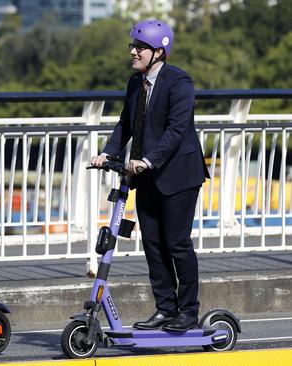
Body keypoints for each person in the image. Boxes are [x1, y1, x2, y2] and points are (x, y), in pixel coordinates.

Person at [91, 19, 209, 331]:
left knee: (177, 243)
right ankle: (165, 308)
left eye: (139, 47)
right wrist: (109, 153)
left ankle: (188, 311)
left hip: (179, 175)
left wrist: (147, 160)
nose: (133, 51)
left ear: (158, 51)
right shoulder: (135, 83)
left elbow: (175, 130)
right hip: (145, 176)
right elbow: (125, 125)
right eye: (132, 45)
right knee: (153, 244)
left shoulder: (179, 83)